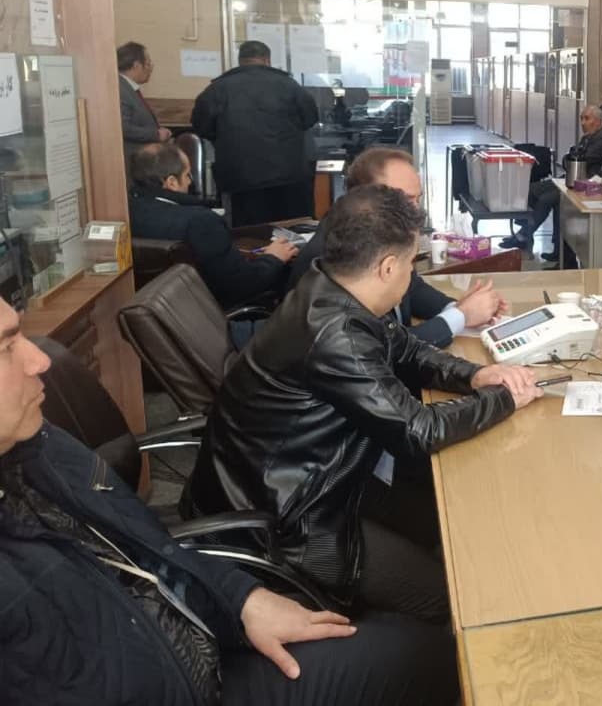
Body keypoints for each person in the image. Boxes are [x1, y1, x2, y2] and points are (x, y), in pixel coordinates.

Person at [0, 297, 457, 706]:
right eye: (5, 348)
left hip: (200, 639)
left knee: (421, 651)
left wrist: (241, 600)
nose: (40, 360)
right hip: (181, 680)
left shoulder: (37, 445)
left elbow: (154, 547)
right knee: (427, 652)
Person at [184, 185, 543, 623]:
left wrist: (474, 375)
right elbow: (419, 431)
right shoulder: (335, 332)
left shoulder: (327, 284)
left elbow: (403, 348)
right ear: (388, 267)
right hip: (292, 524)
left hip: (309, 480)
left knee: (454, 516)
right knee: (453, 594)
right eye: (411, 264)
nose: (411, 274)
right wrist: (504, 398)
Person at [288, 146, 504, 347]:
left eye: (417, 199)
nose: (416, 210)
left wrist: (457, 308)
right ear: (365, 197)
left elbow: (412, 286)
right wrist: (460, 316)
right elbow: (382, 349)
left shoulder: (378, 234)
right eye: (405, 200)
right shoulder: (332, 256)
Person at [129, 142, 298, 310]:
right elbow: (240, 285)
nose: (190, 182)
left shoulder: (126, 213)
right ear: (172, 182)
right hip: (211, 310)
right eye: (187, 175)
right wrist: (273, 258)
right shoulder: (200, 221)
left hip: (159, 309)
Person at [191, 40, 319, 228]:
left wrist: (227, 139)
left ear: (240, 60)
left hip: (240, 177)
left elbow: (202, 126)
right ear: (267, 60)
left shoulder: (217, 89)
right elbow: (310, 118)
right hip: (289, 175)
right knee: (294, 230)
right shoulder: (289, 85)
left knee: (247, 234)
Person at [500, 104, 602, 262]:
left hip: (583, 185)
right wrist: (571, 158)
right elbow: (569, 159)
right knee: (532, 190)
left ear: (598, 121)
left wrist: (571, 157)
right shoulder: (586, 138)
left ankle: (524, 235)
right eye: (581, 118)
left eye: (587, 118)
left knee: (547, 200)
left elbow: (579, 159)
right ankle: (527, 233)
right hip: (568, 178)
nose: (583, 122)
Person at [117, 41, 171, 158]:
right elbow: (122, 128)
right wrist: (156, 134)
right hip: (133, 158)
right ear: (136, 65)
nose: (151, 68)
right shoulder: (120, 89)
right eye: (148, 64)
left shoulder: (128, 88)